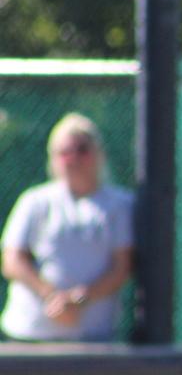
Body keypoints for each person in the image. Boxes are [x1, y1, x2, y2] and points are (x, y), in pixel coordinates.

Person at [1, 112, 135, 341]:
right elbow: (11, 261)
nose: (73, 159)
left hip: (92, 337)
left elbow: (123, 266)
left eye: (82, 150)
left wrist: (79, 299)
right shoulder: (35, 201)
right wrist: (52, 297)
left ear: (99, 153)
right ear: (53, 159)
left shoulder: (120, 204)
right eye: (64, 153)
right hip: (29, 334)